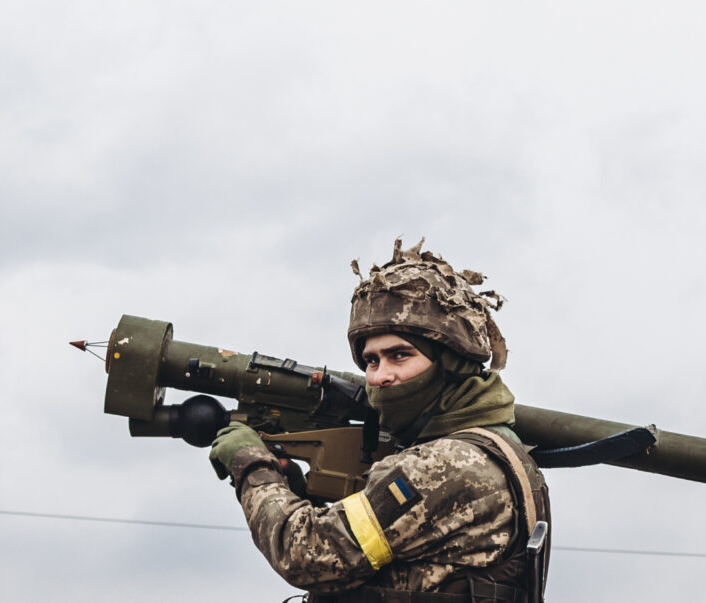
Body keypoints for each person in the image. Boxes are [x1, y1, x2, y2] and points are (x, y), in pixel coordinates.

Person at [208, 242, 552, 601]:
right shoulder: (494, 450)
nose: (380, 376)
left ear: (451, 363)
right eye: (371, 361)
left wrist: (251, 464)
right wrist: (291, 491)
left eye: (399, 355)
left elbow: (308, 555)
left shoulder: (446, 463)